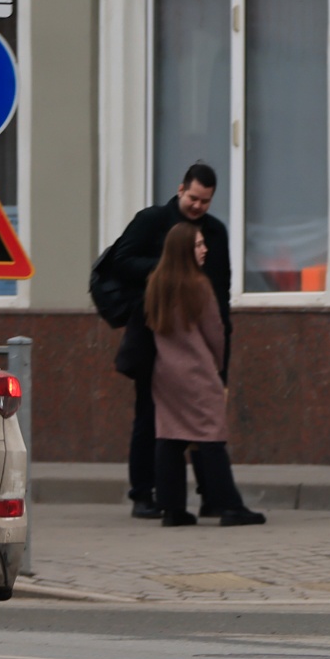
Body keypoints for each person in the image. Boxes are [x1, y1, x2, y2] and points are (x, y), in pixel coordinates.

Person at [107, 163, 231, 519]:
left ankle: (209, 496)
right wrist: (170, 268)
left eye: (205, 201)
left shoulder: (215, 233)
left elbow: (221, 292)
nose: (198, 206)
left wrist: (223, 356)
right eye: (193, 198)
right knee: (151, 417)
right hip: (153, 335)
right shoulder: (151, 221)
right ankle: (143, 494)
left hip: (200, 340)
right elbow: (120, 261)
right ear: (180, 189)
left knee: (203, 419)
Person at [142, 220, 264, 528]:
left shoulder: (156, 282)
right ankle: (229, 507)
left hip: (165, 372)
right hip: (197, 371)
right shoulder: (198, 285)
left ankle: (172, 510)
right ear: (184, 249)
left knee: (170, 437)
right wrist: (217, 365)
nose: (204, 249)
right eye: (197, 244)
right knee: (211, 437)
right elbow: (215, 331)